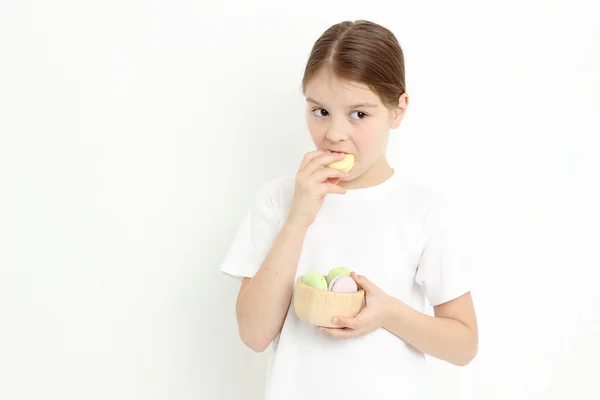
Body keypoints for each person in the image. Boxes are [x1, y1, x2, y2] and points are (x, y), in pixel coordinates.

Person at [219, 19, 478, 400]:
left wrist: (388, 313)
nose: (334, 133)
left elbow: (463, 345)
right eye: (320, 111)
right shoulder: (278, 200)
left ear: (398, 110)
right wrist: (298, 219)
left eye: (359, 114)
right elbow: (254, 335)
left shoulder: (422, 211)